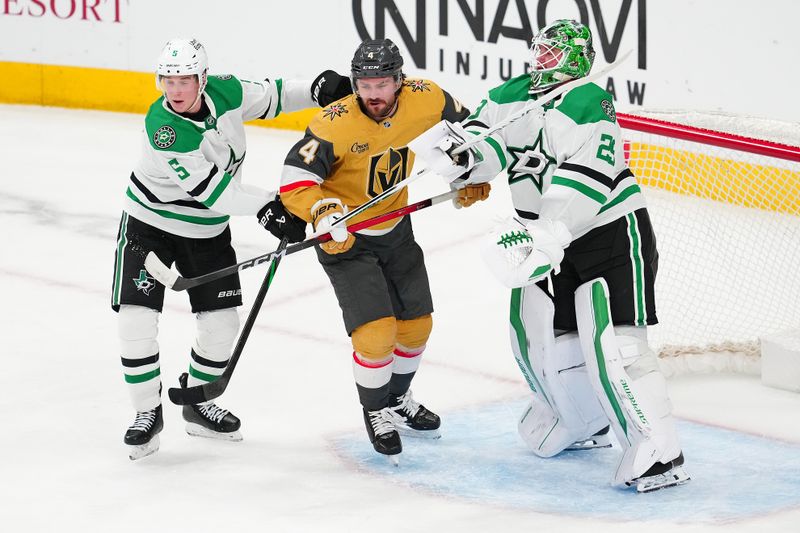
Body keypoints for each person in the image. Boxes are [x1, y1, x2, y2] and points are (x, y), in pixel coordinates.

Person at [414, 20, 689, 491]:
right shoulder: (511, 94)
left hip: (609, 233)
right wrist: (461, 158)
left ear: (575, 58)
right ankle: (580, 418)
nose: (540, 59)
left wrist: (552, 229)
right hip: (544, 234)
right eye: (539, 50)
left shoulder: (588, 100)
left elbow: (590, 173)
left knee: (617, 344)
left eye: (552, 53)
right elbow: (488, 138)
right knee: (541, 332)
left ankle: (661, 452)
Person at [111, 37, 350, 460]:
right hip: (149, 226)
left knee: (221, 324)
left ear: (202, 78)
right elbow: (215, 193)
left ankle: (198, 401)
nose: (175, 90)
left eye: (184, 79)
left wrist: (313, 87)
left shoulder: (226, 91)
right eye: (167, 80)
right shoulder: (165, 129)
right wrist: (271, 206)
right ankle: (147, 412)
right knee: (136, 320)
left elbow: (273, 96)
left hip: (206, 231)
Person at [276, 38, 489, 461]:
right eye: (364, 85)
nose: (372, 94)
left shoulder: (428, 98)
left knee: (417, 326)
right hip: (347, 238)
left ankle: (395, 397)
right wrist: (321, 210)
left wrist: (469, 174)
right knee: (376, 335)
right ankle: (376, 412)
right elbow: (293, 178)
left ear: (399, 81)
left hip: (396, 228)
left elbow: (474, 133)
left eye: (381, 84)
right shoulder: (333, 123)